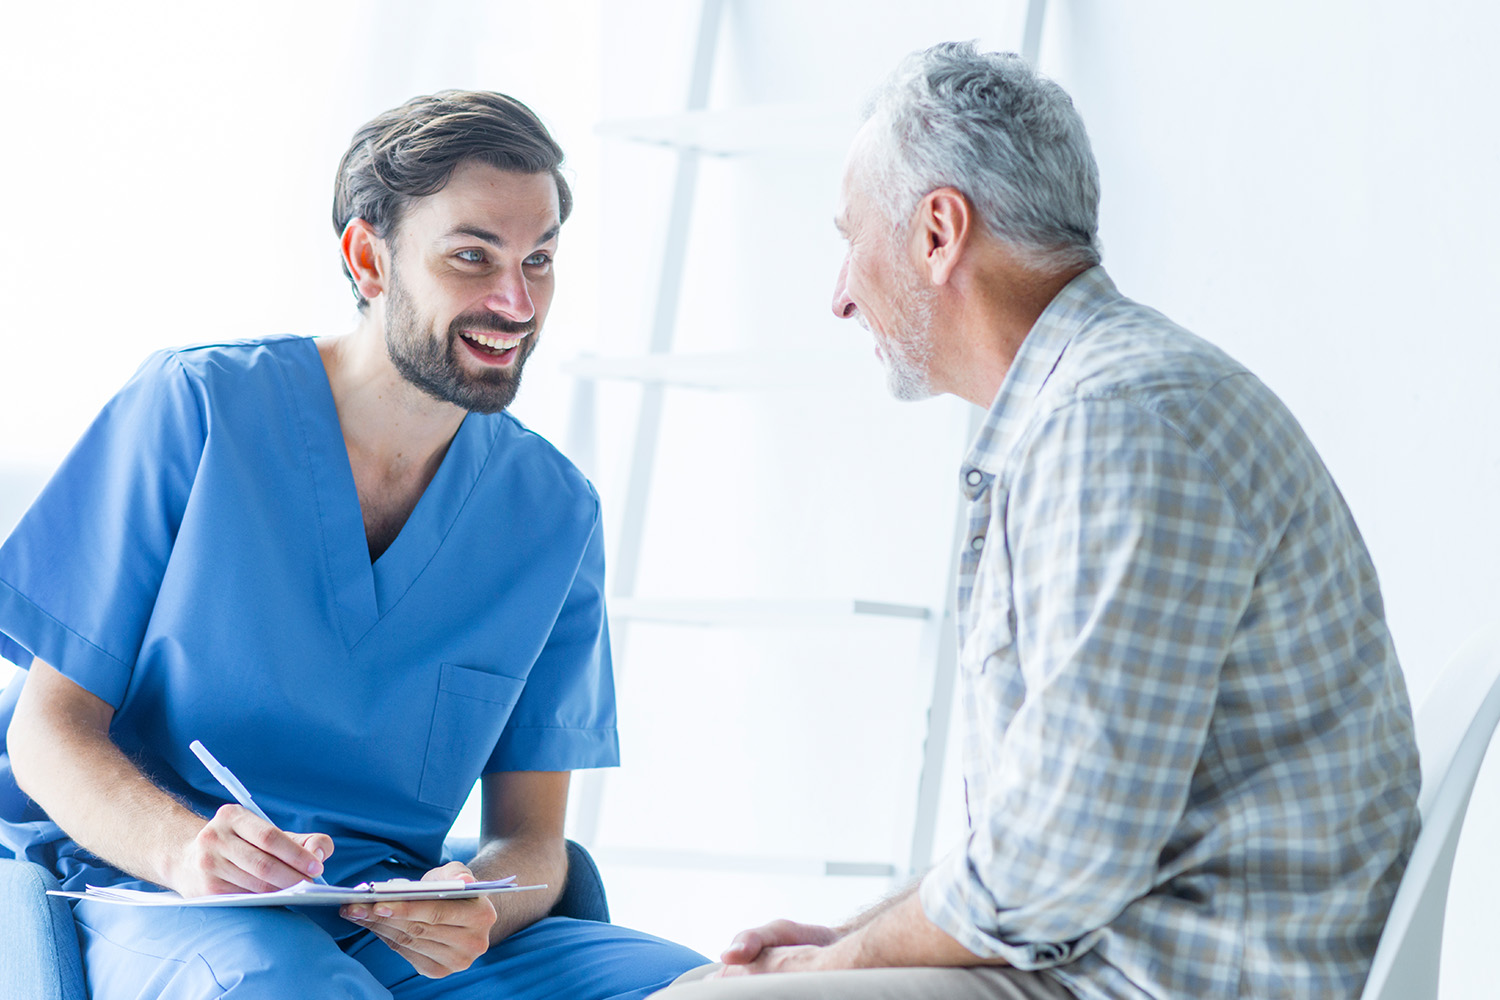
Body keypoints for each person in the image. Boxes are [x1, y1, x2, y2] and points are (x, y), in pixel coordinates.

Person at [660, 42, 1421, 1000]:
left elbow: (1057, 867)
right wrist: (853, 933)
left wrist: (839, 961)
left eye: (852, 238)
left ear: (940, 233)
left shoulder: (1118, 424)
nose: (842, 294)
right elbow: (1044, 829)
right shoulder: (1106, 405)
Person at [0, 89, 704, 999]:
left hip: (391, 926)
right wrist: (185, 850)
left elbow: (530, 837)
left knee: (700, 987)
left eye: (540, 259)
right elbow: (48, 732)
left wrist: (479, 900)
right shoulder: (199, 410)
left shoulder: (553, 512)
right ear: (369, 258)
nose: (515, 300)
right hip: (162, 897)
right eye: (471, 256)